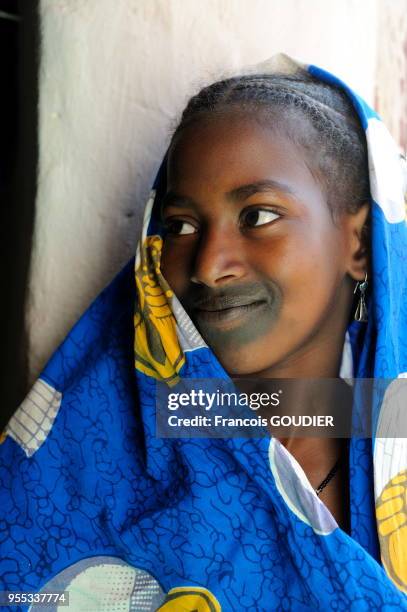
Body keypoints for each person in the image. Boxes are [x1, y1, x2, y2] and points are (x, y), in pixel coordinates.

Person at [0, 54, 406, 610]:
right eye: (182, 226)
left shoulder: (394, 437)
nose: (210, 264)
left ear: (357, 243)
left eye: (259, 216)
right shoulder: (89, 465)